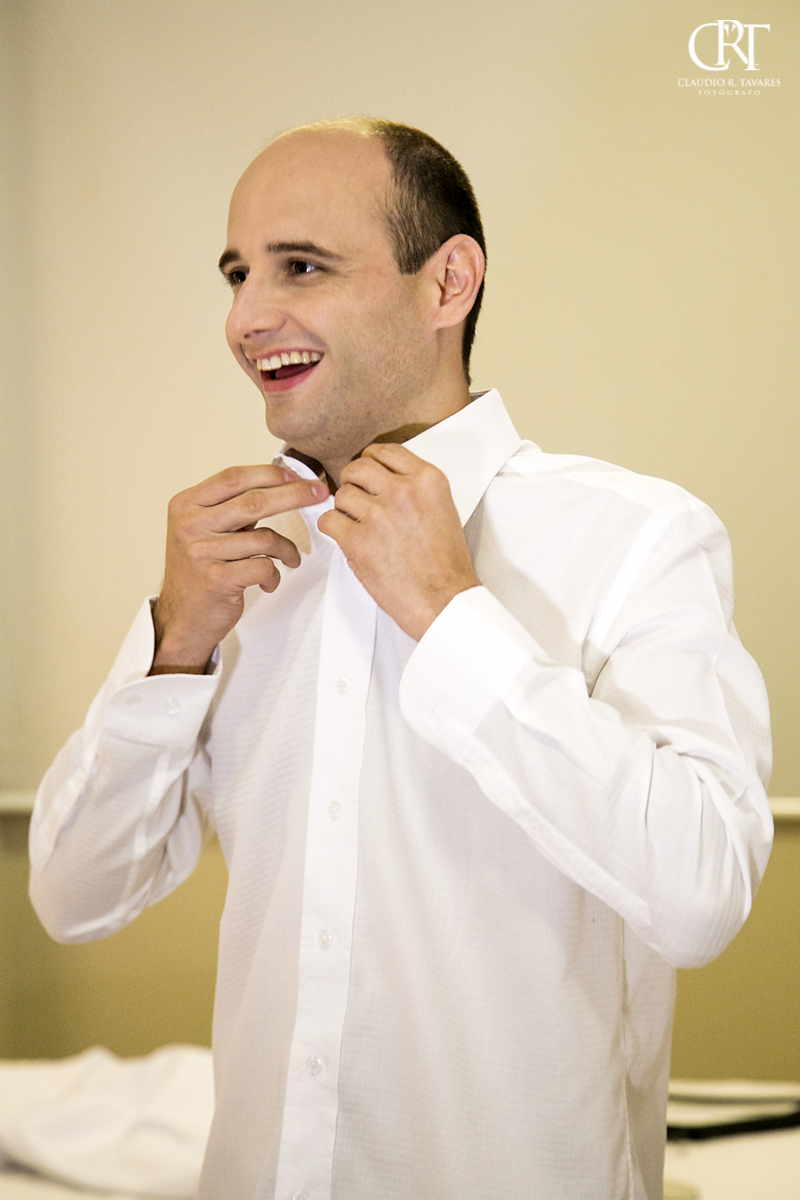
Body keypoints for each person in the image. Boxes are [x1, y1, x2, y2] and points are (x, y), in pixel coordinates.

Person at [29, 118, 772, 1200]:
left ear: (448, 283)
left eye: (301, 267)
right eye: (237, 274)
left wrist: (453, 617)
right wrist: (173, 646)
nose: (245, 318)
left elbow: (701, 893)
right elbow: (73, 898)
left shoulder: (637, 537)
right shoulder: (230, 572)